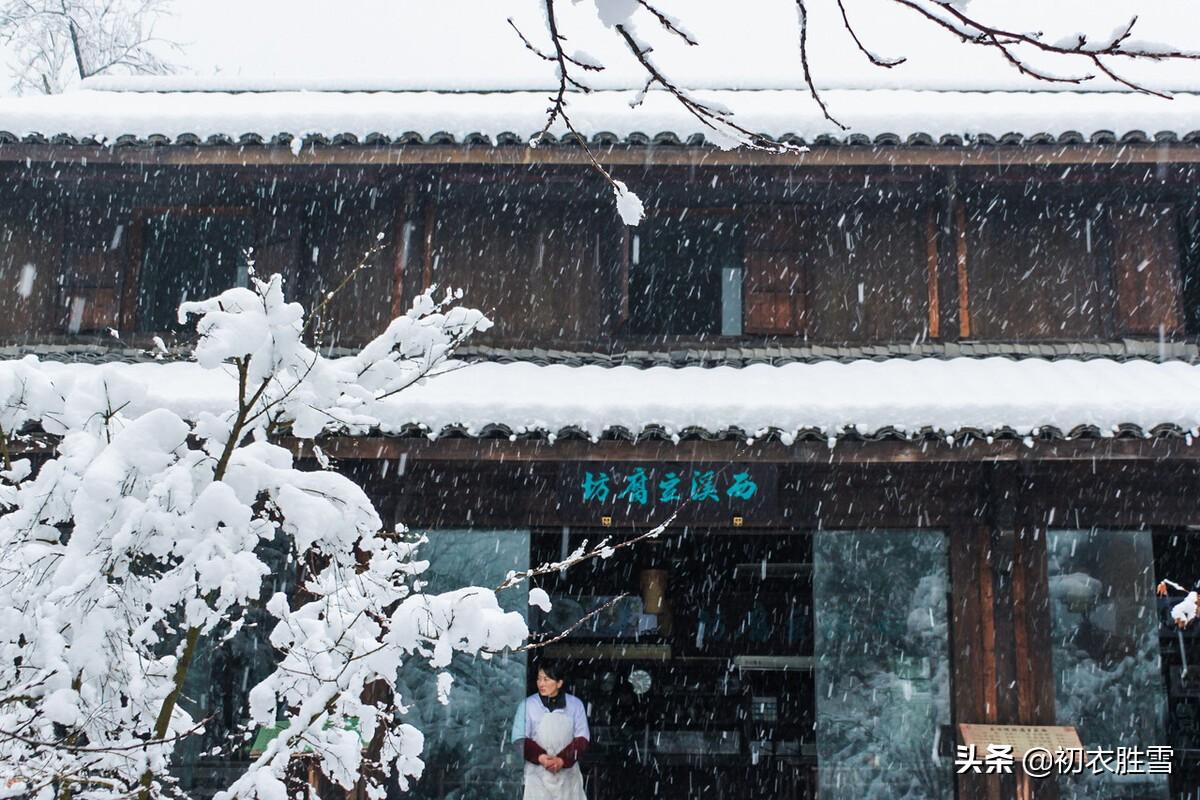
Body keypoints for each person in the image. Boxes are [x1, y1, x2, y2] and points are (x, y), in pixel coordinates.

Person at [510, 662, 590, 800]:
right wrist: (541, 757)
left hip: (568, 778)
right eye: (539, 679)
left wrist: (562, 760)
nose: (541, 683)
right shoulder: (527, 705)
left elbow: (582, 739)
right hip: (537, 776)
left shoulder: (575, 705)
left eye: (546, 679)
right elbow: (519, 739)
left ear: (559, 683)